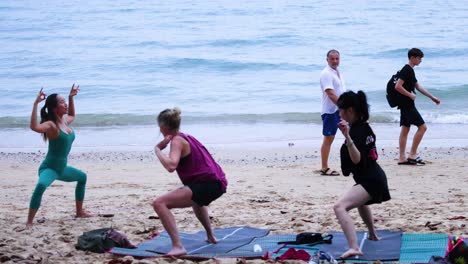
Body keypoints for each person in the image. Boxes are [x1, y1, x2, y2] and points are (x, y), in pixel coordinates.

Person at [152, 107, 228, 256]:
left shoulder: (176, 141)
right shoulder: (187, 136)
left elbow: (171, 166)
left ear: (163, 127)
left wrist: (157, 150)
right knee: (196, 201)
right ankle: (211, 236)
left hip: (207, 184)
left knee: (159, 203)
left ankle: (178, 246)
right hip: (218, 183)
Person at [333, 90, 391, 259]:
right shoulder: (364, 128)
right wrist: (348, 134)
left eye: (340, 110)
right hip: (375, 177)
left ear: (349, 110)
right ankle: (372, 234)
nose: (339, 113)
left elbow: (357, 159)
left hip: (371, 179)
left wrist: (347, 138)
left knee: (339, 207)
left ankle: (354, 247)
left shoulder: (357, 132)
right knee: (361, 202)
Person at [27, 84, 91, 227]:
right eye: (62, 102)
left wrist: (71, 97)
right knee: (41, 186)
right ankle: (29, 222)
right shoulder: (51, 125)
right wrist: (35, 104)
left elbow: (73, 115)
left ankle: (79, 212)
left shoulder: (64, 121)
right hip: (49, 168)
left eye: (65, 101)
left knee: (82, 177)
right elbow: (34, 127)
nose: (66, 104)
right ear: (55, 107)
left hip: (62, 169)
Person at [395, 48, 441, 165]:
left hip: (405, 104)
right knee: (423, 127)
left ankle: (402, 158)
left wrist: (432, 97)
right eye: (419, 58)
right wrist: (410, 94)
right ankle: (412, 154)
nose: (420, 60)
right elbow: (397, 86)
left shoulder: (410, 70)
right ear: (412, 58)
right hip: (407, 105)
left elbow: (418, 86)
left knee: (405, 129)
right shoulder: (407, 69)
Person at [319, 49, 347, 176]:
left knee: (350, 134)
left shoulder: (337, 72)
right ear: (327, 59)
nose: (335, 61)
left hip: (341, 110)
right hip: (330, 111)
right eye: (332, 59)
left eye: (337, 59)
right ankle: (324, 168)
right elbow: (330, 93)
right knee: (329, 139)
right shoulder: (326, 73)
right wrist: (342, 107)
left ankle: (353, 164)